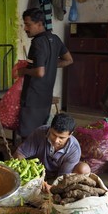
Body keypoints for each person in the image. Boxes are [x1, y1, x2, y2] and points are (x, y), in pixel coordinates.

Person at [17, 8, 73, 139]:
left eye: (28, 24)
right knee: (41, 133)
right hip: (46, 97)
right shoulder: (55, 39)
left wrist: (23, 71)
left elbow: (39, 72)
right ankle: (39, 158)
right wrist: (51, 65)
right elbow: (68, 60)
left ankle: (28, 157)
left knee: (28, 136)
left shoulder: (37, 43)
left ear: (39, 24)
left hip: (33, 98)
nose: (25, 28)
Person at [13, 113, 81, 185]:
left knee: (83, 168)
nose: (56, 140)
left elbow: (63, 177)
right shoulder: (40, 132)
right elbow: (20, 153)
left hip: (57, 176)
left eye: (61, 137)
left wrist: (53, 187)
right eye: (53, 134)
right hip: (37, 173)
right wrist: (30, 175)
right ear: (50, 128)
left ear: (70, 135)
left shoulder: (74, 150)